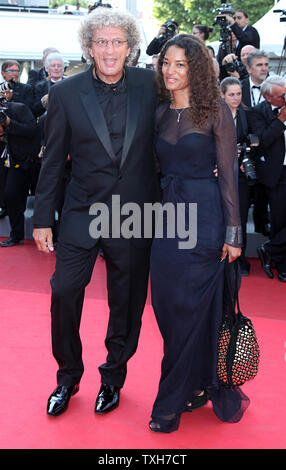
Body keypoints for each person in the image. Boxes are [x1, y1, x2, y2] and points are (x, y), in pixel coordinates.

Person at [32, 8, 159, 417]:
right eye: (101, 41)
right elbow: (53, 159)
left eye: (117, 41)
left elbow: (182, 122)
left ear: (129, 47)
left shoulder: (150, 84)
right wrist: (40, 219)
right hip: (82, 209)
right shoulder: (67, 93)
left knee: (127, 300)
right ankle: (67, 377)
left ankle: (113, 376)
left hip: (136, 212)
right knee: (64, 291)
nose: (109, 49)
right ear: (89, 47)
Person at [149, 34, 249, 433]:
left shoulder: (215, 111)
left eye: (181, 65)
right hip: (167, 219)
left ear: (197, 69)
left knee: (191, 308)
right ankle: (196, 384)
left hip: (205, 219)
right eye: (167, 63)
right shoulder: (159, 113)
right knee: (168, 306)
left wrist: (234, 233)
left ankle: (169, 405)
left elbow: (228, 177)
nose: (171, 71)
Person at [249, 75, 286, 282]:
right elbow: (262, 142)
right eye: (283, 95)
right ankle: (281, 265)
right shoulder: (258, 112)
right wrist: (281, 120)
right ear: (269, 98)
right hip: (277, 174)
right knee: (279, 220)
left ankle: (270, 250)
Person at [220, 77, 253, 276]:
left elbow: (255, 140)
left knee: (239, 215)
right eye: (231, 94)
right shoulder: (214, 115)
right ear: (222, 95)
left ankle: (239, 260)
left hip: (240, 174)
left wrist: (244, 156)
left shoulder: (246, 115)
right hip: (220, 174)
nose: (236, 98)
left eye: (239, 94)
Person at [0, 101, 40, 247]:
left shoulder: (19, 108)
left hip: (34, 162)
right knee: (11, 195)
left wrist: (10, 123)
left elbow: (32, 130)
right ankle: (16, 235)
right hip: (15, 163)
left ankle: (53, 235)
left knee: (43, 198)